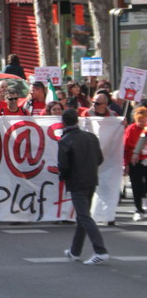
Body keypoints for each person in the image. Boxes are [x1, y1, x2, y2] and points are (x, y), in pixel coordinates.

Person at [58, 108, 108, 265]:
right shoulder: (91, 137)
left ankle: (100, 250)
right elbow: (100, 158)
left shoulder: (65, 140)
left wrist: (64, 177)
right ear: (77, 120)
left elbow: (64, 166)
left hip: (77, 182)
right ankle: (75, 250)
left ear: (63, 122)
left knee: (84, 217)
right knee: (82, 216)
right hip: (91, 179)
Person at [123, 107, 147, 221]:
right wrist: (126, 164)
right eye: (140, 121)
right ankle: (138, 209)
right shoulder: (130, 129)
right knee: (136, 186)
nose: (143, 123)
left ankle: (144, 202)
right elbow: (125, 148)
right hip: (134, 161)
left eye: (145, 121)